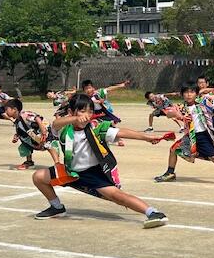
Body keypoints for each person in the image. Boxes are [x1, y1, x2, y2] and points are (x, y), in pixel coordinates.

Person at [31, 93, 169, 228]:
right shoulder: (64, 128)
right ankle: (57, 207)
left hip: (93, 174)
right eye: (82, 111)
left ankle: (153, 213)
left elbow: (121, 132)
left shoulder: (95, 128)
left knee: (118, 197)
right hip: (71, 172)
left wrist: (147, 137)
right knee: (38, 177)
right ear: (70, 112)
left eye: (90, 111)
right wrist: (75, 119)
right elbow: (55, 124)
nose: (87, 115)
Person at [154, 83, 214, 186]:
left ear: (196, 94)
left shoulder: (203, 103)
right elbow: (169, 114)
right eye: (186, 92)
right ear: (182, 94)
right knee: (173, 149)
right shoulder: (181, 107)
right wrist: (178, 115)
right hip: (190, 137)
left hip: (203, 136)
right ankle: (170, 173)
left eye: (192, 92)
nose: (189, 94)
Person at [4, 99, 49, 170]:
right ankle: (29, 161)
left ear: (14, 109)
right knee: (24, 144)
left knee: (50, 146)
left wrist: (43, 129)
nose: (6, 112)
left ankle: (57, 163)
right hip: (35, 137)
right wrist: (16, 136)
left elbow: (37, 118)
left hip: (44, 133)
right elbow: (22, 130)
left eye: (7, 109)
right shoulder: (17, 120)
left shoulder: (24, 114)